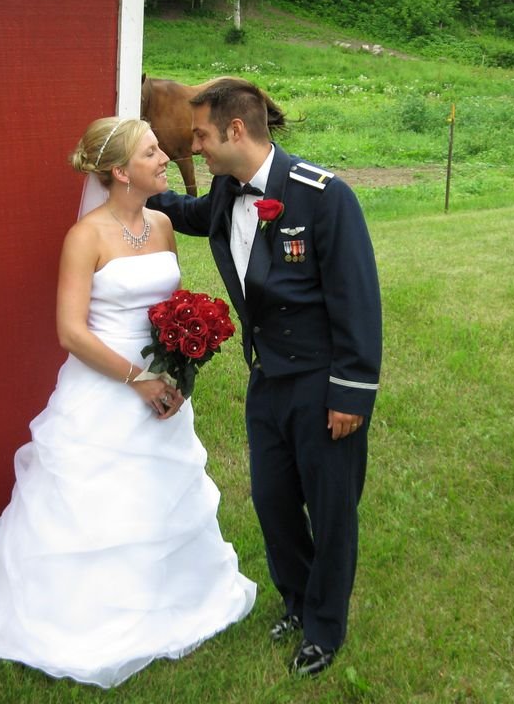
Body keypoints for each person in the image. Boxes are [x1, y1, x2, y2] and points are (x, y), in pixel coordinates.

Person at [0, 117, 256, 688]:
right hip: (105, 389)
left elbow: (167, 307)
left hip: (162, 389)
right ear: (119, 171)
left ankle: (168, 596)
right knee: (97, 505)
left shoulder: (162, 225)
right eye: (152, 152)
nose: (166, 157)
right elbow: (70, 331)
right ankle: (89, 614)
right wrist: (136, 377)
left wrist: (181, 362)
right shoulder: (85, 236)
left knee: (158, 497)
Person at [147, 78, 382, 677]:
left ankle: (325, 628)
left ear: (234, 130)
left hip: (323, 384)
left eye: (199, 135)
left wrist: (350, 393)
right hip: (267, 381)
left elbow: (356, 301)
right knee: (275, 503)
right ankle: (298, 601)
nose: (193, 146)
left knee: (330, 512)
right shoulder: (228, 192)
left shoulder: (324, 197)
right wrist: (139, 187)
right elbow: (192, 213)